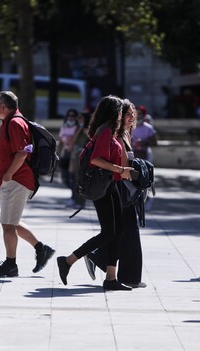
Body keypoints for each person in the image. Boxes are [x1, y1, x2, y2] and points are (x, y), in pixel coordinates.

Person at [56, 95, 136, 291]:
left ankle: (111, 278)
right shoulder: (105, 131)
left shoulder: (108, 130)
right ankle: (68, 260)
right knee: (109, 232)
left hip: (111, 184)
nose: (121, 114)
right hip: (104, 185)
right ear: (114, 112)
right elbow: (96, 160)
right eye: (119, 111)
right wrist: (120, 170)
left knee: (118, 232)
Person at [0, 91, 55, 277]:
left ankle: (11, 265)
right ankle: (41, 249)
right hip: (15, 179)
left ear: (2, 106)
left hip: (16, 180)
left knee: (8, 224)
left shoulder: (15, 122)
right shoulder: (12, 120)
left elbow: (23, 152)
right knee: (12, 222)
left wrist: (9, 174)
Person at [85, 100, 147, 287]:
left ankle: (117, 269)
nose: (130, 117)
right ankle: (101, 260)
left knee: (126, 230)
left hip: (126, 185)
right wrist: (128, 171)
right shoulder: (114, 135)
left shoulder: (126, 134)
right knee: (124, 229)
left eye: (132, 114)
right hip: (119, 185)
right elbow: (117, 164)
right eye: (126, 114)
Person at [68, 112, 91, 208]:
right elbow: (72, 141)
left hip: (83, 157)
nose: (78, 120)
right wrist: (79, 129)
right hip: (75, 156)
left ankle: (81, 202)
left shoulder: (89, 130)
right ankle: (75, 199)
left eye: (80, 118)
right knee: (73, 178)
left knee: (81, 179)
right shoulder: (78, 129)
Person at [58, 108, 79, 206]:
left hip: (74, 154)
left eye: (73, 116)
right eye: (69, 116)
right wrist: (57, 154)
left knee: (73, 177)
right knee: (64, 177)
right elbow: (61, 141)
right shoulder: (64, 127)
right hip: (65, 153)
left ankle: (75, 197)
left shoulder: (78, 128)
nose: (71, 118)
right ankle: (75, 194)